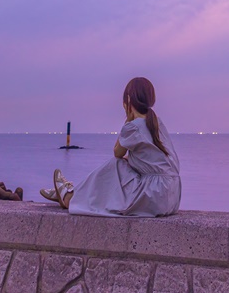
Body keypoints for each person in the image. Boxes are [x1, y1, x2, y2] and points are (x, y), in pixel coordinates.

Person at [41, 77, 181, 217]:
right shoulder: (157, 123)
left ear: (128, 99)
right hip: (171, 197)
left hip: (153, 196)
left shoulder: (133, 126)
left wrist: (128, 120)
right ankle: (74, 193)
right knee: (125, 163)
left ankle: (69, 197)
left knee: (116, 165)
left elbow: (117, 153)